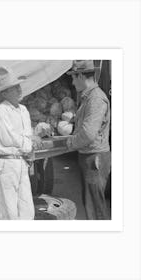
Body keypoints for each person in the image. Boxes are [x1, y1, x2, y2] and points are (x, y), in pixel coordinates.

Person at [0, 66, 41, 220]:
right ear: (4, 93)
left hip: (22, 162)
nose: (19, 90)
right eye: (14, 88)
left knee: (27, 209)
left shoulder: (24, 110)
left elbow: (26, 134)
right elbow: (8, 139)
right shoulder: (1, 111)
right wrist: (30, 142)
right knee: (9, 211)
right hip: (6, 164)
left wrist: (33, 137)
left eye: (18, 86)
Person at [66, 60, 111, 220]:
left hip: (94, 158)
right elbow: (87, 124)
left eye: (73, 77)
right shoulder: (89, 97)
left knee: (95, 207)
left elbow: (88, 133)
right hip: (90, 156)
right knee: (91, 203)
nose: (72, 82)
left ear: (80, 75)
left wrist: (70, 143)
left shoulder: (96, 99)